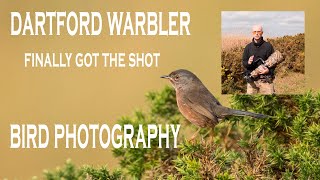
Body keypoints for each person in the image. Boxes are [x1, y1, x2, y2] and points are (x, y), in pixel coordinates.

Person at [243, 25, 275, 94]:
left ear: (262, 33)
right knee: (250, 102)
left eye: (258, 31)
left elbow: (274, 62)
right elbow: (244, 63)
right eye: (255, 32)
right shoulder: (248, 47)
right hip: (252, 81)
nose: (256, 33)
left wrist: (268, 70)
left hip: (266, 79)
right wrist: (248, 62)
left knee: (269, 101)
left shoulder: (268, 46)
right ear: (252, 33)